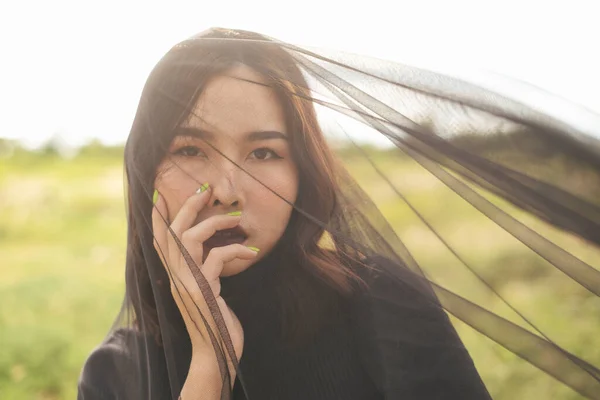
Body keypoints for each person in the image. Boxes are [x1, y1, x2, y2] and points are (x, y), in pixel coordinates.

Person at [78, 28, 600, 400]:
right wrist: (212, 364)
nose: (228, 191)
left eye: (264, 153)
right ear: (148, 170)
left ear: (303, 173)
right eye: (190, 149)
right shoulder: (114, 374)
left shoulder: (379, 301)